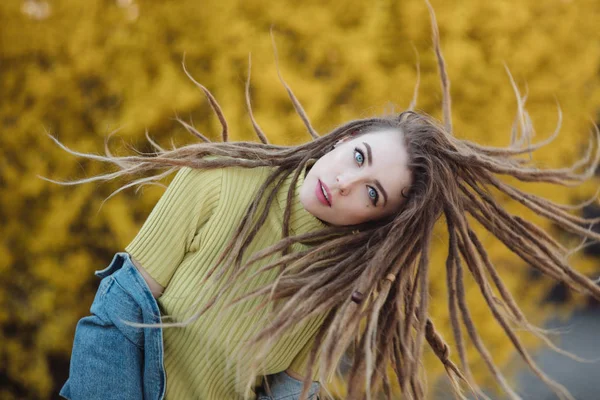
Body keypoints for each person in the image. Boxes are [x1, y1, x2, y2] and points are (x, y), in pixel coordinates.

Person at [43, 3, 600, 400]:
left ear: (377, 221)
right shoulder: (216, 181)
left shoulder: (340, 284)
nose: (347, 183)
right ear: (342, 140)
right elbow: (118, 313)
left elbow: (289, 392)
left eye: (374, 193)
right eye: (358, 158)